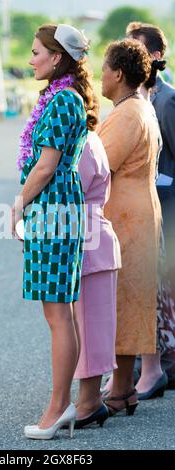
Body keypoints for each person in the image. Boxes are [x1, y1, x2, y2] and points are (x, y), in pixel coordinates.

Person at [12, 23, 98, 440]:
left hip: (55, 208)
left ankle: (58, 407)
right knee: (58, 310)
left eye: (35, 52)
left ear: (57, 57)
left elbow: (46, 164)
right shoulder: (62, 96)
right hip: (58, 207)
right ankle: (62, 404)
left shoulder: (64, 100)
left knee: (58, 311)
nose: (30, 60)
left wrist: (19, 203)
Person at [97, 39, 162, 415]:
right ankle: (124, 389)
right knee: (131, 299)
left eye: (103, 69)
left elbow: (100, 165)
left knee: (122, 300)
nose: (99, 77)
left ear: (118, 74)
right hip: (140, 209)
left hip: (127, 215)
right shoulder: (140, 106)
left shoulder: (126, 114)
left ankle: (120, 390)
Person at [127, 22, 175, 392]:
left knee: (166, 286)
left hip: (167, 205)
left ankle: (165, 364)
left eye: (138, 49)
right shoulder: (134, 99)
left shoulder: (167, 99)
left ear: (156, 56)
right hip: (142, 209)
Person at [70, 130, 121, 428]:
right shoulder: (91, 139)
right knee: (92, 326)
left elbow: (70, 189)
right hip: (94, 236)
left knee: (89, 328)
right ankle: (88, 400)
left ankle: (89, 402)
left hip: (89, 239)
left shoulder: (84, 143)